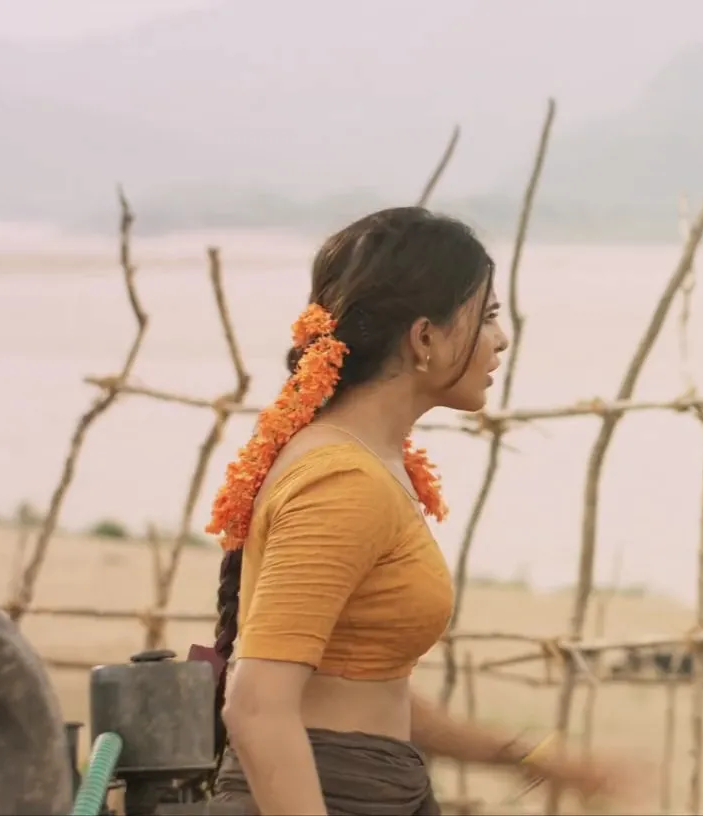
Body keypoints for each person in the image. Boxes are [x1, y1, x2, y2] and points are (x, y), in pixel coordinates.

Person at [199, 207, 630, 815]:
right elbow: (257, 707)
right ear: (424, 338)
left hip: (369, 787)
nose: (502, 339)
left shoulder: (366, 463)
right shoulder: (342, 482)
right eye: (487, 317)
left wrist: (528, 758)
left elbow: (368, 691)